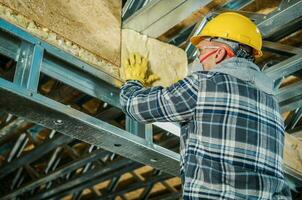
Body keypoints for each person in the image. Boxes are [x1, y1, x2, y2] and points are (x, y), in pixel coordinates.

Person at [120, 12, 291, 199]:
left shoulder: (206, 84)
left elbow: (135, 106)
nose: (199, 59)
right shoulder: (273, 105)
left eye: (201, 51)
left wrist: (133, 81)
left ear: (218, 53)